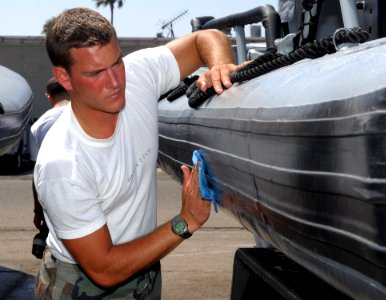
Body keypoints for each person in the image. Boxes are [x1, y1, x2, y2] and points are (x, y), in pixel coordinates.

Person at [33, 7, 239, 299]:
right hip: (82, 284)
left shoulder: (137, 75)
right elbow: (104, 269)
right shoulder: (62, 164)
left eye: (116, 63)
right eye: (95, 73)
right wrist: (186, 220)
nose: (115, 82)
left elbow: (205, 38)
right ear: (64, 79)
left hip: (144, 265)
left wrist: (220, 66)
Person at [29, 78, 70, 231]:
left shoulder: (38, 126)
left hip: (54, 196)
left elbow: (37, 172)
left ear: (48, 96)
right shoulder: (87, 115)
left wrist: (37, 211)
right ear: (69, 91)